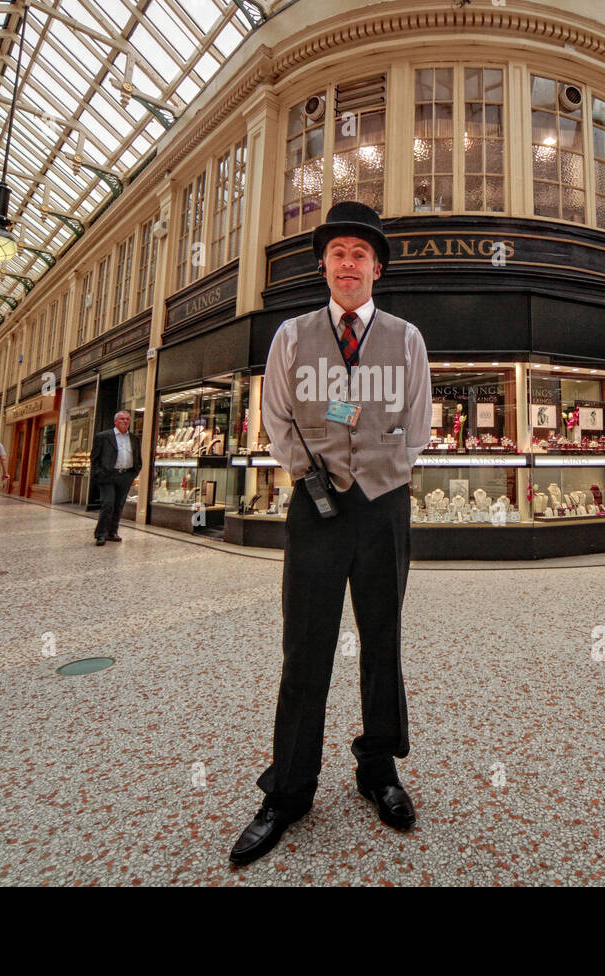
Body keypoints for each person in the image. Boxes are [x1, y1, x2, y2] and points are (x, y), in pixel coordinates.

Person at [229, 201, 431, 867]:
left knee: (383, 640)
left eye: (360, 254)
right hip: (314, 508)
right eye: (338, 252)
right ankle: (288, 790)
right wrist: (314, 476)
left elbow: (418, 425)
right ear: (325, 264)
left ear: (377, 268)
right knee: (305, 647)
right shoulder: (292, 336)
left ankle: (379, 771)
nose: (349, 264)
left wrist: (371, 470)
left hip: (383, 509)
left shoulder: (406, 340)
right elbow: (280, 418)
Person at [89, 411, 140, 546]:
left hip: (126, 475)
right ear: (115, 421)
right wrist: (99, 473)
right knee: (108, 504)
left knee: (119, 505)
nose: (125, 421)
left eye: (127, 419)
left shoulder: (134, 439)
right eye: (122, 419)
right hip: (108, 476)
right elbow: (94, 458)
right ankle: (101, 534)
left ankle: (112, 532)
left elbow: (138, 458)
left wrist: (133, 474)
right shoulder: (103, 437)